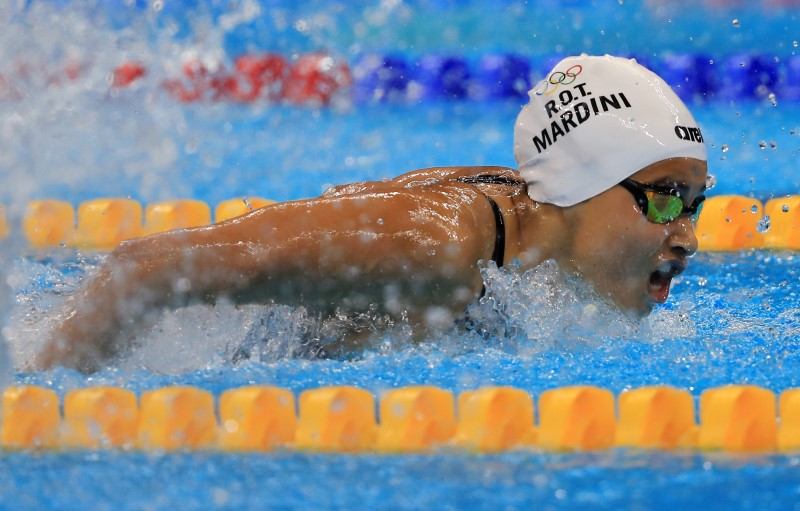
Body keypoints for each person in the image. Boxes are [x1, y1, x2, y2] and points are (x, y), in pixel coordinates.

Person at [33, 54, 708, 373]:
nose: (690, 235)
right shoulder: (434, 245)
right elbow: (140, 270)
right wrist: (41, 399)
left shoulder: (532, 229)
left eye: (695, 202)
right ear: (579, 185)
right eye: (667, 197)